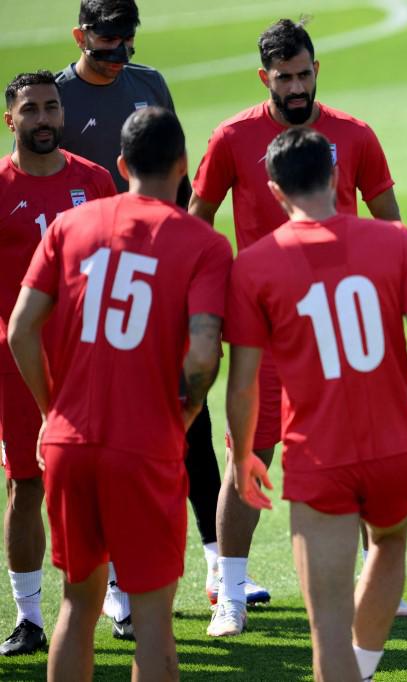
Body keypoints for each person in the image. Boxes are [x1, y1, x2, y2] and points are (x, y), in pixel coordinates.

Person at [223, 127, 407, 682]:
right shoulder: (396, 242)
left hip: (321, 458)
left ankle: (349, 670)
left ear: (273, 190)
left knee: (327, 628)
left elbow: (242, 384)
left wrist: (243, 455)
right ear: (337, 178)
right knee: (387, 547)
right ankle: (361, 670)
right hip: (396, 452)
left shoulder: (256, 266)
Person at [189, 17, 403, 637]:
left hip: (341, 329)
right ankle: (229, 593)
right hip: (268, 334)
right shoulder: (232, 138)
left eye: (305, 73)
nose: (297, 86)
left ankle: (374, 577)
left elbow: (390, 223)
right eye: (284, 78)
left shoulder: (354, 135)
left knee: (357, 449)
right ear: (266, 78)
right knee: (248, 458)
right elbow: (196, 222)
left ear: (316, 70)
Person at [8, 106, 231, 682]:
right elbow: (204, 352)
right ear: (183, 167)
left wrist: (50, 408)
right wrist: (182, 417)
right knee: (153, 619)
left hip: (69, 441)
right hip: (144, 445)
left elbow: (19, 329)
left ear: (122, 163)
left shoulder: (70, 227)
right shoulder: (202, 243)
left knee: (77, 606)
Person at [55, 0, 226, 634]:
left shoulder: (149, 82)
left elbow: (174, 170)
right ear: (80, 37)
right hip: (96, 274)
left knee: (194, 425)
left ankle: (216, 564)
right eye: (106, 46)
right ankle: (117, 584)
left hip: (158, 264)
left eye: (127, 43)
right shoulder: (59, 100)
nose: (120, 56)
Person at [0, 70, 116, 657]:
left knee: (106, 477)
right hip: (17, 363)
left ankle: (121, 601)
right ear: (11, 119)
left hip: (90, 358)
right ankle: (28, 617)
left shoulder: (94, 181)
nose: (43, 119)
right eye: (32, 110)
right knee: (25, 481)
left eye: (51, 108)